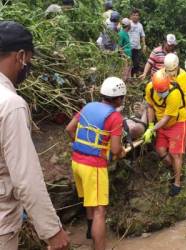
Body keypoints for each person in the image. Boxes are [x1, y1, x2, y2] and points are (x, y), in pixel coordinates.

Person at [0, 21, 69, 250]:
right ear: (20, 56)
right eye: (28, 59)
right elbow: (26, 179)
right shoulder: (11, 105)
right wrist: (52, 230)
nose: (27, 66)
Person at [66, 77, 126, 250]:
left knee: (89, 201)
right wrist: (120, 151)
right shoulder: (115, 117)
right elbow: (115, 150)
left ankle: (89, 232)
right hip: (94, 167)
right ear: (119, 98)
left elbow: (69, 129)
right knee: (100, 210)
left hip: (76, 162)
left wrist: (82, 147)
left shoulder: (88, 106)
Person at [143, 70, 186, 196]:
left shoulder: (174, 94)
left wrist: (152, 129)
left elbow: (167, 118)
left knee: (175, 154)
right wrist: (150, 125)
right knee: (160, 150)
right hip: (161, 124)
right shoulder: (150, 88)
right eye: (160, 91)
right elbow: (150, 106)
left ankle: (177, 182)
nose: (162, 93)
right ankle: (175, 170)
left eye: (164, 91)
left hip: (177, 122)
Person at [128, 8, 146, 77]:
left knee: (136, 63)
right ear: (131, 16)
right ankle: (128, 76)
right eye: (134, 15)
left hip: (136, 47)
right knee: (128, 63)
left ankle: (133, 76)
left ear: (139, 17)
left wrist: (144, 45)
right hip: (128, 47)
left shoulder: (140, 25)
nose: (135, 16)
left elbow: (142, 35)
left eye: (137, 15)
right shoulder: (128, 23)